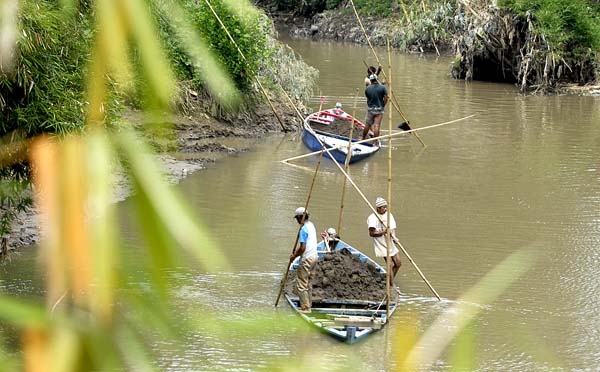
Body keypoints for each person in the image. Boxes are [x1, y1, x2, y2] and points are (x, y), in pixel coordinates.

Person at [367, 197, 402, 294]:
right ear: (378, 208)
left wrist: (394, 237)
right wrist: (384, 232)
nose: (385, 209)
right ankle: (391, 285)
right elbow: (371, 233)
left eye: (386, 207)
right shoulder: (372, 218)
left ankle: (389, 282)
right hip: (381, 243)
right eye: (383, 207)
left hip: (389, 241)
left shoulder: (389, 215)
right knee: (390, 264)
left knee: (398, 263)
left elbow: (392, 229)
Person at [291, 207, 318, 313]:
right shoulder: (311, 225)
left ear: (299, 218)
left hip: (307, 258)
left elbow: (302, 248)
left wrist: (294, 256)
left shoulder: (303, 229)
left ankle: (306, 308)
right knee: (309, 283)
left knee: (302, 284)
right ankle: (309, 304)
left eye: (297, 218)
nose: (297, 221)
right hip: (314, 257)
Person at [363, 74, 388, 146]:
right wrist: (383, 105)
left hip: (370, 109)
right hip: (379, 109)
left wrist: (370, 106)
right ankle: (374, 142)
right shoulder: (383, 88)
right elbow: (386, 98)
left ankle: (363, 138)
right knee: (376, 126)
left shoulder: (367, 89)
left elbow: (368, 100)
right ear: (377, 79)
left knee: (367, 124)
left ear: (370, 80)